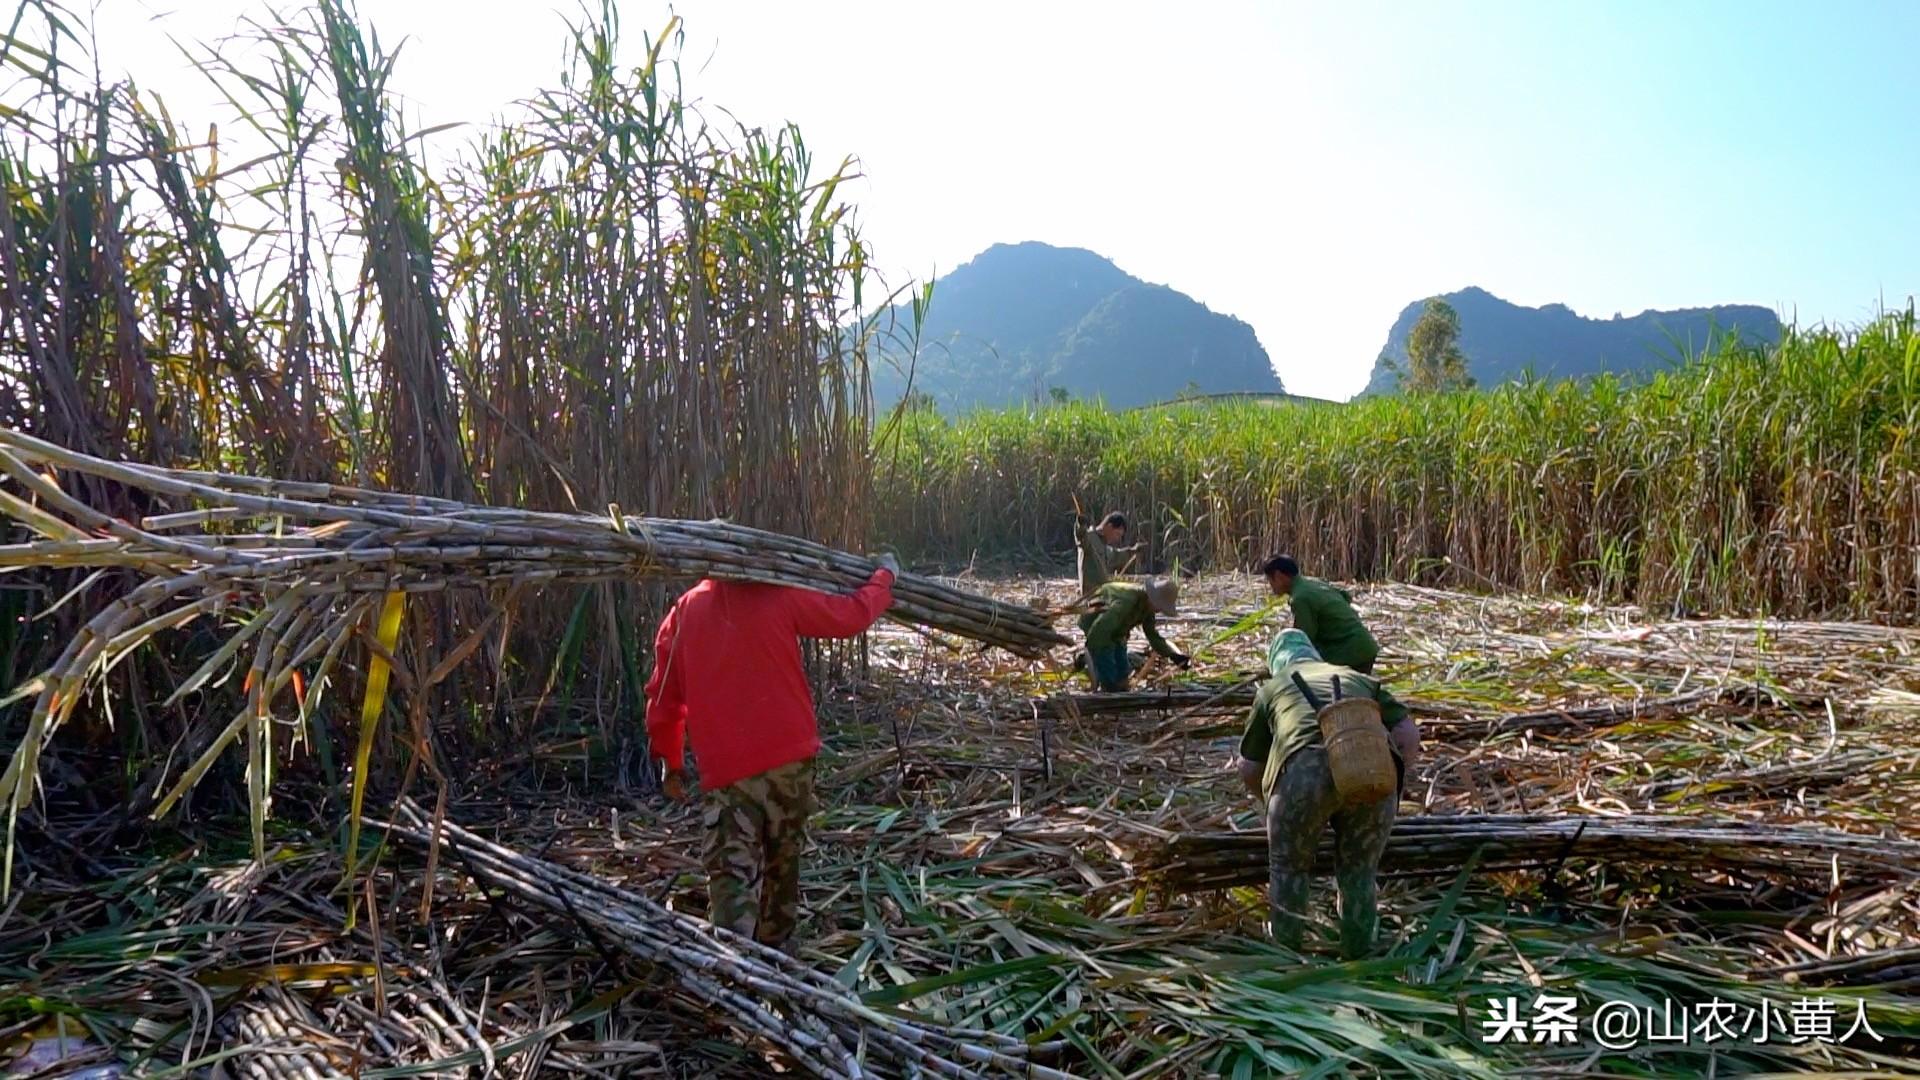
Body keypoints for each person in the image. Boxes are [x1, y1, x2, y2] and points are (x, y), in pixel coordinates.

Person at [645, 554, 899, 952]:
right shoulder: (778, 594)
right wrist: (883, 578)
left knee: (731, 872)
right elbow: (849, 616)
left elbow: (663, 701)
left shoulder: (684, 613)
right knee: (783, 864)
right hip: (790, 764)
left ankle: (735, 969)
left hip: (730, 775)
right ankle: (778, 952)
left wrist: (671, 762)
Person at [1234, 629, 1419, 958]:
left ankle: (1288, 959)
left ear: (1276, 661)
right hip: (1372, 766)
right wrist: (1392, 781)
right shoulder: (1355, 677)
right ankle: (1358, 958)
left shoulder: (1272, 688)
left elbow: (1249, 767)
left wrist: (1273, 807)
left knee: (1288, 868)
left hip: (1304, 771)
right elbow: (1406, 733)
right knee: (1359, 871)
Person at [1258, 554, 1379, 674]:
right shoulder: (1313, 583)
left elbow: (1303, 639)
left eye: (1270, 581)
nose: (1271, 587)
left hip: (1349, 654)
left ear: (1279, 576)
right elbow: (1345, 596)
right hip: (1365, 647)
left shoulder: (1300, 598)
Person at [1079, 577, 1188, 691]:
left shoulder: (1147, 608)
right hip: (1094, 623)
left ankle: (1116, 689)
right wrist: (1094, 650)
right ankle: (1104, 688)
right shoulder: (1126, 601)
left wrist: (1173, 655)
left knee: (1122, 674)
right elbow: (1099, 630)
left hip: (1116, 631)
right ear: (1152, 598)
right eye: (1160, 605)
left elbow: (1153, 636)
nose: (1159, 610)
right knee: (1109, 673)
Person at [1077, 511, 1142, 600]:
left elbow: (1116, 555)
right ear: (1109, 526)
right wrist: (1080, 525)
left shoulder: (1104, 545)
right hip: (1091, 597)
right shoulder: (1090, 537)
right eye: (1117, 534)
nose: (1118, 539)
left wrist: (1133, 550)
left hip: (1103, 595)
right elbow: (1081, 538)